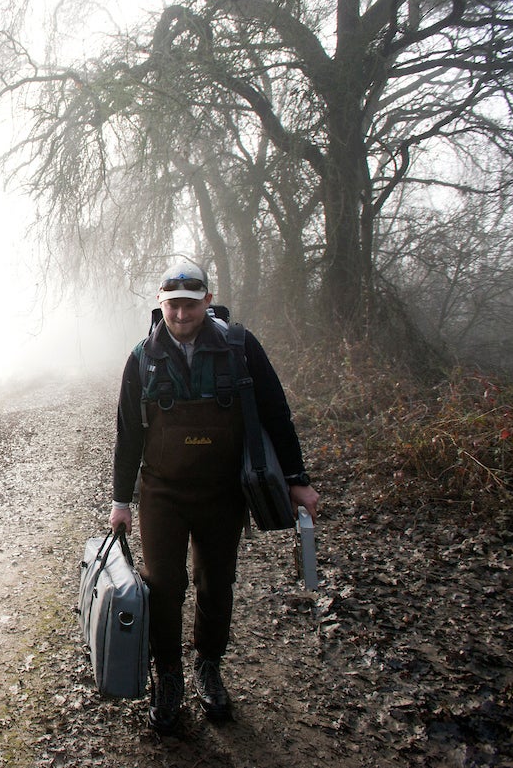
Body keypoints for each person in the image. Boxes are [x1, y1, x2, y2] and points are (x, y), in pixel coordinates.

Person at [109, 262, 320, 733]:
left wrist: (296, 478)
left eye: (190, 303)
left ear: (207, 300)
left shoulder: (239, 348)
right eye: (172, 305)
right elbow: (127, 435)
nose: (181, 314)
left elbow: (276, 412)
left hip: (223, 492)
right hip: (162, 493)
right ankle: (168, 677)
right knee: (163, 585)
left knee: (216, 583)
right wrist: (121, 501)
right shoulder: (142, 357)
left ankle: (208, 666)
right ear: (160, 305)